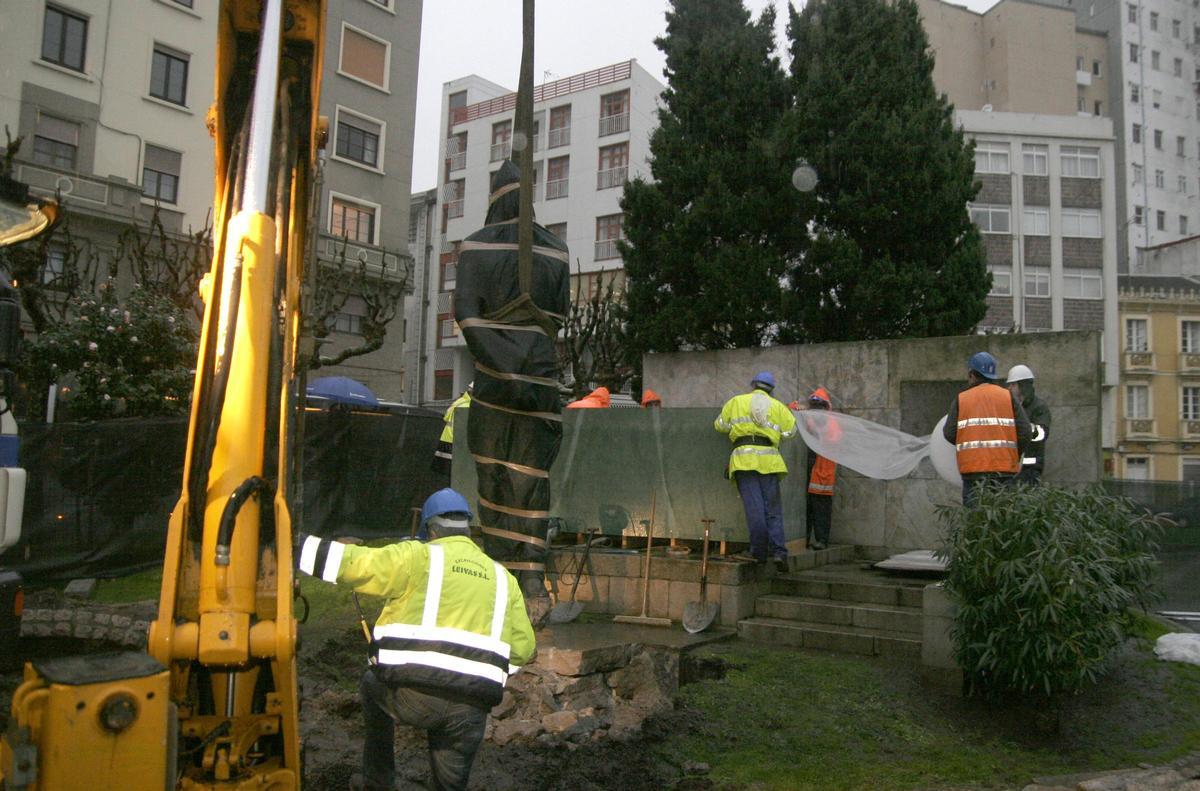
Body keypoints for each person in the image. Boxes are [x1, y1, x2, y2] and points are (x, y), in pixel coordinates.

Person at [296, 488, 536, 791]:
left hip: (411, 696)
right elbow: (524, 648)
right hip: (470, 706)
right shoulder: (503, 579)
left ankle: (378, 782)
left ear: (430, 530)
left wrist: (294, 545)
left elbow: (353, 563)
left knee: (372, 686)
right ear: (467, 530)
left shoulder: (417, 556)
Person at [714, 371, 797, 573]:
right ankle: (779, 552)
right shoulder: (779, 407)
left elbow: (720, 426)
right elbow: (791, 432)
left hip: (744, 460)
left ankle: (758, 553)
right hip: (770, 461)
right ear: (771, 390)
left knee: (755, 509)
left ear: (753, 385)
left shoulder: (736, 401)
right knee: (773, 511)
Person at [942, 352, 1032, 507]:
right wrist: (1011, 455)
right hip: (1004, 471)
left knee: (975, 523)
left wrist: (968, 443)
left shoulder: (961, 399)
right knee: (1001, 523)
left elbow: (949, 432)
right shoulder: (1007, 396)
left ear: (972, 375)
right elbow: (1025, 432)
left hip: (972, 471)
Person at [803, 387, 838, 551]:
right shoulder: (810, 419)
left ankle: (822, 539)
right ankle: (807, 539)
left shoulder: (830, 422)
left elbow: (833, 440)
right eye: (813, 406)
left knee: (821, 507)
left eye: (818, 406)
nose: (815, 410)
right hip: (811, 468)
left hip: (822, 471)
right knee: (809, 508)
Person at [1006, 364, 1051, 484]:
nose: (1009, 388)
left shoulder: (1039, 407)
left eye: (1013, 384)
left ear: (1023, 385)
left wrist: (1023, 427)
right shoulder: (1010, 406)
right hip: (1010, 468)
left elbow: (1042, 434)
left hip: (1031, 470)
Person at [432, 385, 472, 476]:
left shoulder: (459, 401)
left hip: (446, 439)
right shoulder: (468, 405)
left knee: (443, 471)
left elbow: (446, 417)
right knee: (456, 474)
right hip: (457, 442)